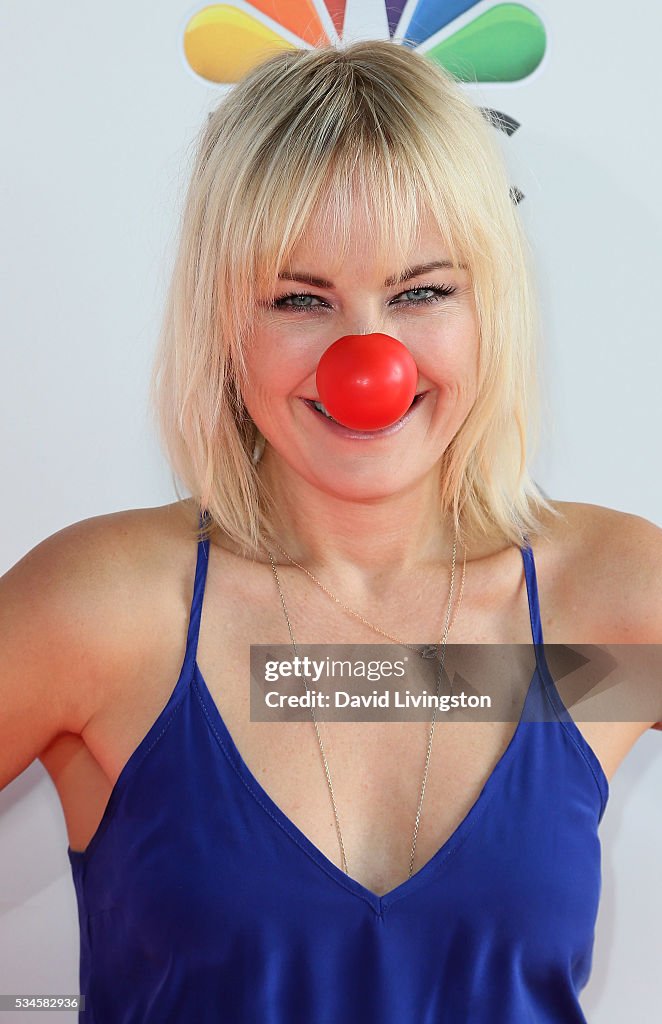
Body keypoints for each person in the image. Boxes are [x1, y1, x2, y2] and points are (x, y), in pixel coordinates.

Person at [1, 38, 660, 1024]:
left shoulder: (608, 606)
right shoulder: (102, 609)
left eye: (420, 291)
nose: (369, 361)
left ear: (487, 306)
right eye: (300, 299)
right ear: (225, 323)